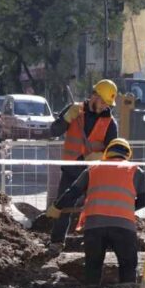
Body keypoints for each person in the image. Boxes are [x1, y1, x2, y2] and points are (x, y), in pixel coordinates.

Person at [47, 138, 145, 285]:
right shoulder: (135, 170)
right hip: (123, 225)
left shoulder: (93, 168)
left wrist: (57, 206)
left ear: (107, 153)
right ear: (127, 154)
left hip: (94, 225)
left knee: (93, 265)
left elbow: (73, 192)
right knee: (128, 266)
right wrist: (127, 207)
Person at [47, 79, 119, 252]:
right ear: (93, 96)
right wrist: (65, 119)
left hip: (94, 174)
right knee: (64, 207)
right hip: (71, 170)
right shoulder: (74, 110)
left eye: (107, 103)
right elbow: (54, 131)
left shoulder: (110, 123)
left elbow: (115, 152)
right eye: (102, 101)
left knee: (96, 210)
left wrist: (100, 156)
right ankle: (56, 242)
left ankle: (96, 243)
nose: (104, 106)